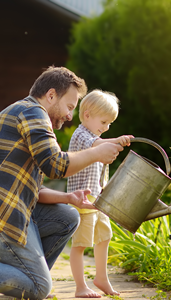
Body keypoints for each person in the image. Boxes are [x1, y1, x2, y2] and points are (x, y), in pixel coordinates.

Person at [0, 67, 124, 300]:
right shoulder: (33, 113)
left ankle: (27, 282)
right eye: (69, 107)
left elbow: (35, 189)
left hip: (5, 211)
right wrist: (96, 153)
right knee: (39, 289)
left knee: (68, 216)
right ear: (50, 96)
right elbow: (55, 165)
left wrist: (68, 198)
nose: (70, 116)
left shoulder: (24, 114)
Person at [67, 89, 134, 298]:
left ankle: (101, 278)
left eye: (109, 125)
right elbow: (97, 146)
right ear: (87, 115)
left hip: (97, 199)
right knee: (80, 244)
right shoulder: (82, 135)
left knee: (104, 236)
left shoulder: (94, 135)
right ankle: (80, 287)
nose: (105, 128)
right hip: (82, 200)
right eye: (104, 122)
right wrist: (117, 140)